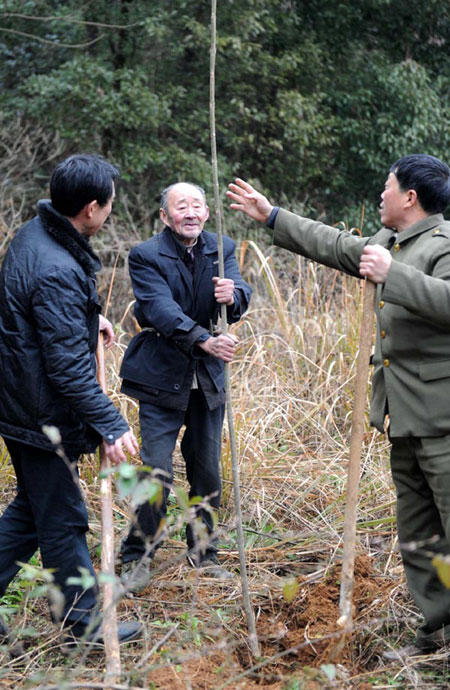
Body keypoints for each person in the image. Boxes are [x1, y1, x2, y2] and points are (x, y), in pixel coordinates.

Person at [227, 154, 450, 660]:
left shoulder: (442, 245)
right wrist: (272, 216)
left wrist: (396, 276)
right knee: (419, 533)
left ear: (410, 197)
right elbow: (336, 246)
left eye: (388, 185)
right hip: (406, 416)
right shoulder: (389, 243)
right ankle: (436, 632)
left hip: (444, 417)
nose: (381, 193)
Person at [0, 154, 141, 647]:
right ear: (90, 208)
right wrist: (111, 421)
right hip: (40, 415)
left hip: (20, 402)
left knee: (32, 511)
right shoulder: (57, 266)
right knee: (62, 518)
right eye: (109, 206)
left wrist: (88, 322)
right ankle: (85, 628)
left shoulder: (34, 234)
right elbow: (65, 369)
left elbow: (44, 325)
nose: (110, 214)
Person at [119, 182, 251, 590]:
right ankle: (136, 556)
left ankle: (204, 553)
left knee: (207, 471)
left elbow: (242, 295)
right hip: (160, 375)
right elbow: (158, 308)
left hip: (208, 378)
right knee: (156, 473)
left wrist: (236, 295)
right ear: (164, 216)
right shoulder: (145, 256)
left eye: (197, 205)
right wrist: (203, 340)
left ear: (207, 213)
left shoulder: (222, 247)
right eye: (181, 207)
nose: (190, 213)